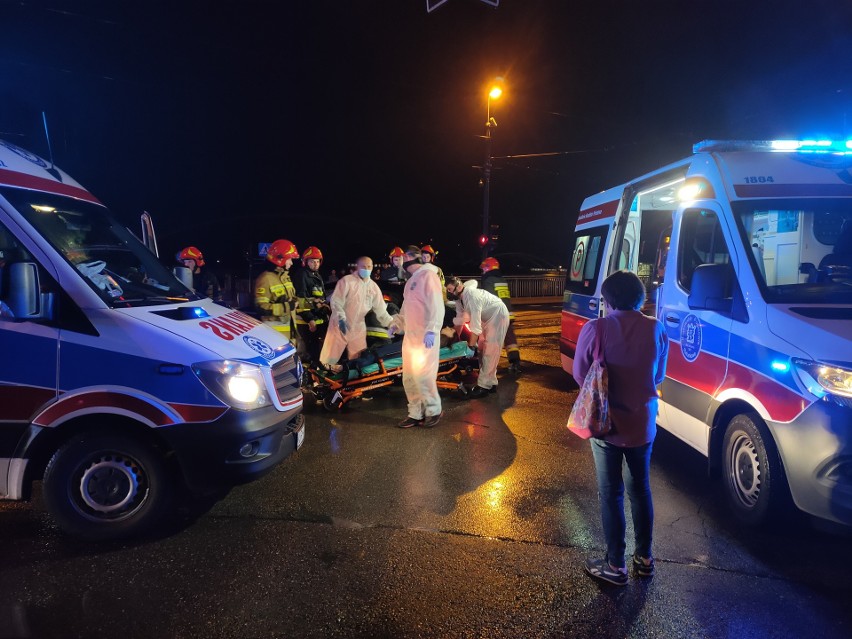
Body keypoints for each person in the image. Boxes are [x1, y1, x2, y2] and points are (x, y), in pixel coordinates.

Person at [573, 270, 668, 586]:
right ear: (641, 297)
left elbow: (580, 374)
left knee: (611, 492)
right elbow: (659, 376)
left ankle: (615, 565)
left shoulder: (595, 329)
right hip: (642, 425)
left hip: (606, 425)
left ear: (607, 299)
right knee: (640, 489)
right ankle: (645, 559)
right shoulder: (656, 329)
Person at [390, 246, 445, 428]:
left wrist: (432, 330)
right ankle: (415, 413)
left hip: (425, 337)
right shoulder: (411, 282)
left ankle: (433, 410)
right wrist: (397, 325)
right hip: (411, 338)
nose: (401, 261)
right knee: (410, 377)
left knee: (424, 377)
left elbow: (436, 305)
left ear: (411, 257)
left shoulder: (429, 276)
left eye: (404, 256)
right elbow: (406, 310)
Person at [320, 256, 394, 365]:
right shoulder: (347, 281)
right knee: (330, 356)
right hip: (340, 324)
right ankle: (323, 374)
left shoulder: (373, 287)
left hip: (358, 327)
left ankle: (353, 377)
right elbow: (336, 302)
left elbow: (381, 310)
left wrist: (391, 323)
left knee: (358, 358)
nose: (366, 269)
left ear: (372, 267)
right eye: (363, 266)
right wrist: (341, 318)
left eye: (369, 266)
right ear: (357, 267)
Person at [446, 276, 509, 399]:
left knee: (490, 350)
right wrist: (454, 338)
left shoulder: (472, 296)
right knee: (481, 349)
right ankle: (490, 383)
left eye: (449, 289)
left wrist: (469, 347)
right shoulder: (460, 300)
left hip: (498, 315)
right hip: (488, 318)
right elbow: (459, 321)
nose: (448, 292)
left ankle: (484, 386)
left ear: (458, 287)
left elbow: (475, 326)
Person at [479, 257, 522, 374]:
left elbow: (488, 298)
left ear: (488, 268)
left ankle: (489, 366)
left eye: (484, 268)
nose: (482, 271)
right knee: (510, 339)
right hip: (508, 313)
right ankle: (515, 362)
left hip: (497, 314)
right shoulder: (502, 279)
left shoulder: (488, 280)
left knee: (492, 340)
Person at [254, 239, 299, 343]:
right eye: (290, 259)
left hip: (289, 333)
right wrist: (286, 306)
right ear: (280, 259)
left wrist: (306, 302)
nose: (291, 263)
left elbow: (292, 299)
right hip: (274, 336)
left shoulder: (285, 277)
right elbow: (260, 308)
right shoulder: (265, 279)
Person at [293, 245, 330, 364]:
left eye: (317, 261)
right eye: (312, 261)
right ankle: (307, 377)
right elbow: (301, 299)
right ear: (305, 262)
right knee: (306, 352)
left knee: (316, 351)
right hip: (305, 322)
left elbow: (319, 298)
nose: (315, 264)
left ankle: (316, 373)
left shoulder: (317, 276)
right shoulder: (302, 275)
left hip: (317, 319)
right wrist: (310, 319)